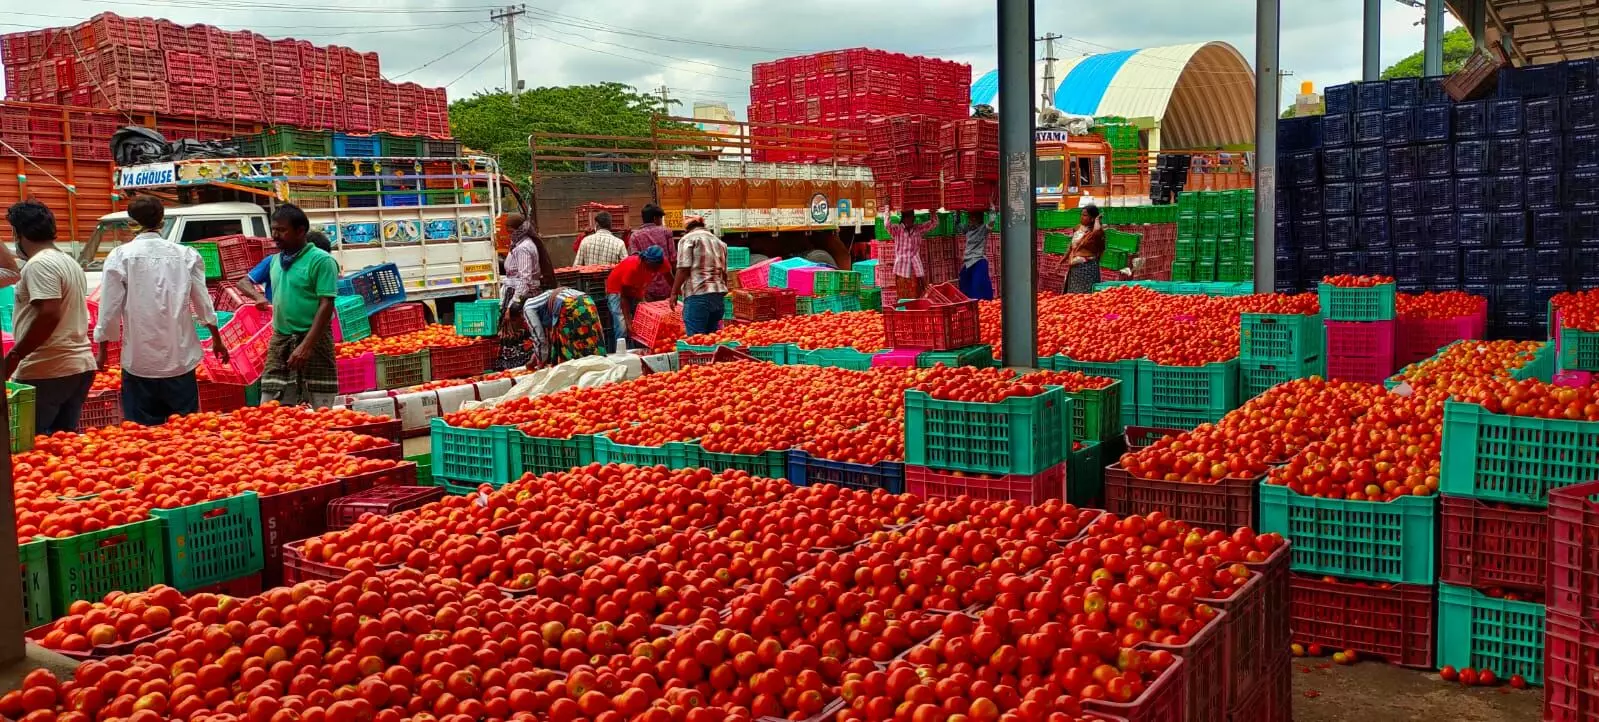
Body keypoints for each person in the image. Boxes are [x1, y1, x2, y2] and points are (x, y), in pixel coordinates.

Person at [93, 197, 229, 425]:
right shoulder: (186, 255)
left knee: (143, 435)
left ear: (131, 223)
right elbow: (203, 303)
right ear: (162, 221)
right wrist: (217, 339)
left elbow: (108, 310)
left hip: (139, 361)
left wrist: (102, 352)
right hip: (180, 360)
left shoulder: (120, 256)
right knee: (185, 432)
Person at [3, 200, 97, 435]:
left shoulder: (40, 265)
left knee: (36, 447)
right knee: (62, 447)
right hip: (77, 365)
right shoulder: (67, 261)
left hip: (48, 368)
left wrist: (15, 355)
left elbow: (49, 313)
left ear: (18, 232)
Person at [258, 204, 339, 408]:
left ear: (301, 231)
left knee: (320, 404)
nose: (275, 235)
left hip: (314, 340)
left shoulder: (321, 261)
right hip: (281, 339)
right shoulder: (276, 261)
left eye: (282, 230)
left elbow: (326, 304)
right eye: (274, 229)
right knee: (271, 401)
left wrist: (306, 346)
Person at [494, 214, 555, 370]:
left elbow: (525, 278)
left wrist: (514, 304)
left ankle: (523, 364)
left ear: (518, 230)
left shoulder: (523, 248)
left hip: (521, 294)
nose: (508, 232)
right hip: (517, 291)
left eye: (510, 229)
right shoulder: (519, 244)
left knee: (519, 331)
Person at [669, 216, 728, 337]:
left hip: (698, 294)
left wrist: (674, 292)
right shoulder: (720, 242)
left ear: (687, 229)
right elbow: (724, 273)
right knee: (712, 340)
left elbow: (683, 268)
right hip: (717, 296)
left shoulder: (687, 239)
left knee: (696, 341)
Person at [521, 287, 605, 368]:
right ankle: (600, 370)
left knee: (567, 350)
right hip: (587, 300)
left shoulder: (527, 307)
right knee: (593, 338)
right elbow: (544, 339)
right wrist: (537, 355)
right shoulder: (544, 299)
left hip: (569, 305)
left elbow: (539, 337)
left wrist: (540, 361)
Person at [241, 231, 333, 303]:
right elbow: (243, 282)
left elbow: (326, 299)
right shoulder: (273, 261)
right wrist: (259, 297)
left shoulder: (324, 265)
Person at [604, 246, 667, 339]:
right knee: (622, 325)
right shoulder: (632, 267)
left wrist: (675, 294)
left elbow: (670, 278)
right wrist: (628, 322)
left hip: (637, 288)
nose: (654, 271)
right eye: (651, 266)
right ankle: (621, 349)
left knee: (643, 319)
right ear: (645, 261)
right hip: (617, 290)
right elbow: (624, 297)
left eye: (656, 268)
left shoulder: (661, 264)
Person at [886, 208, 938, 301]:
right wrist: (887, 209)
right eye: (909, 218)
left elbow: (933, 223)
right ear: (904, 218)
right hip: (901, 269)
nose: (912, 220)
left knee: (917, 294)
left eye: (912, 218)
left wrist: (932, 211)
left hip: (915, 269)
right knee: (903, 295)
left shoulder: (918, 228)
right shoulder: (897, 229)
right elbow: (887, 225)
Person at [628, 204, 676, 301]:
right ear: (655, 218)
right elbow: (673, 259)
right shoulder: (666, 232)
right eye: (661, 218)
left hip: (647, 287)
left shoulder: (635, 236)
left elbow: (635, 263)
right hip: (666, 284)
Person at [1066, 204, 1106, 294]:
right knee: (1073, 296)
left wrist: (1097, 220)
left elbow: (1096, 232)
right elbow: (1071, 247)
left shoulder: (1097, 232)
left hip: (1088, 269)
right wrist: (1062, 261)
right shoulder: (1077, 228)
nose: (1081, 217)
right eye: (1081, 215)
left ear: (1092, 219)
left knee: (1086, 297)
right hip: (1075, 269)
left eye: (1085, 215)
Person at [956, 209, 995, 301]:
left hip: (978, 260)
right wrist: (957, 213)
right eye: (970, 218)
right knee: (964, 282)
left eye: (973, 218)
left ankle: (982, 302)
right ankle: (969, 303)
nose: (970, 221)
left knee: (978, 285)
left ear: (979, 219)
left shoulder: (983, 229)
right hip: (968, 262)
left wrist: (992, 209)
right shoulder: (968, 229)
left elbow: (992, 221)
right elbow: (958, 226)